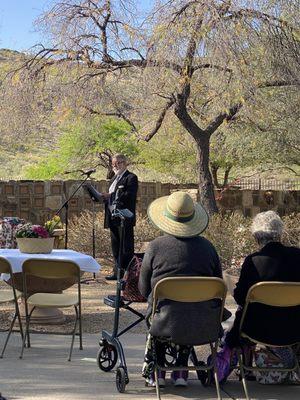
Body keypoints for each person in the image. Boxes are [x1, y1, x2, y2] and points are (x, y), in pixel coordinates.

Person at [138, 191, 225, 388]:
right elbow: (218, 286)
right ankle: (181, 369)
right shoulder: (208, 248)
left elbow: (144, 289)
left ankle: (159, 369)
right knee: (189, 307)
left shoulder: (155, 247)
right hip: (203, 320)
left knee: (163, 310)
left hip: (164, 320)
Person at [225, 210, 300, 349]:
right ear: (280, 232)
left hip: (258, 330)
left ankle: (246, 368)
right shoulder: (298, 256)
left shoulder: (253, 261)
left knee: (244, 311)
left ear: (256, 236)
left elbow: (240, 298)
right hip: (294, 330)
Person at [102, 154, 138, 281]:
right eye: (113, 164)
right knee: (115, 246)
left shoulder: (131, 178)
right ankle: (117, 272)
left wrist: (110, 196)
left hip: (124, 218)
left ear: (125, 163)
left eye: (118, 163)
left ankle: (128, 274)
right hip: (112, 217)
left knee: (126, 246)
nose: (115, 166)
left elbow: (129, 195)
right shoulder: (113, 179)